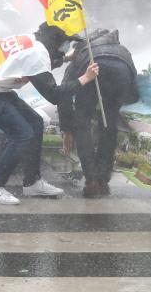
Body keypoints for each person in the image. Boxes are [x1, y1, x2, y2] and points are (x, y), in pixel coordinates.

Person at [0, 23, 99, 205]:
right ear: (57, 41)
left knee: (34, 122)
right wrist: (85, 78)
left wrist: (66, 58)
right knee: (22, 134)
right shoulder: (37, 53)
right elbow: (55, 94)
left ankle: (32, 182)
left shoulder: (34, 41)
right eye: (67, 42)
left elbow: (39, 63)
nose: (68, 46)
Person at [58, 29, 138, 197]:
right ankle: (103, 178)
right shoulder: (123, 50)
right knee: (109, 122)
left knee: (83, 119)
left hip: (91, 68)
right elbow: (133, 89)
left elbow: (63, 93)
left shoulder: (83, 52)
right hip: (120, 74)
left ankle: (91, 180)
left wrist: (67, 129)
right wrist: (117, 101)